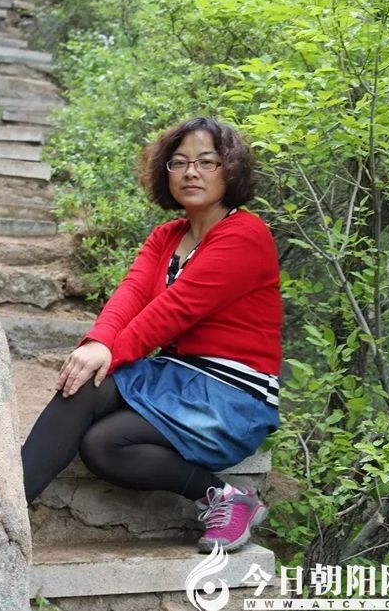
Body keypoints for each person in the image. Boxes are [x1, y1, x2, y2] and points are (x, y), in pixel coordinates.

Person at [21, 116, 283, 553]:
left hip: (230, 395)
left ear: (230, 170)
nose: (191, 172)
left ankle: (224, 499)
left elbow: (173, 311)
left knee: (101, 429)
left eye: (206, 162)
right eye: (179, 162)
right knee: (93, 412)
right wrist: (98, 343)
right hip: (177, 378)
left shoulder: (245, 235)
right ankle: (6, 509)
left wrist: (112, 352)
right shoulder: (167, 236)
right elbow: (131, 295)